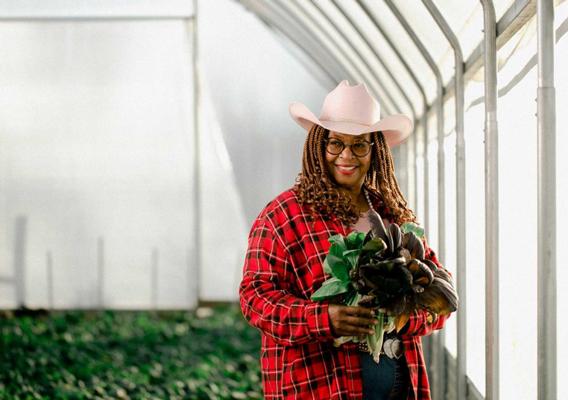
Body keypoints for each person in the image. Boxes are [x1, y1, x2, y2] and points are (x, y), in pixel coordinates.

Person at [239, 80, 453, 400]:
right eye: (336, 144)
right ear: (318, 146)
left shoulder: (392, 215)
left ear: (375, 150)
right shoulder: (282, 216)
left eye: (359, 145)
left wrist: (400, 318)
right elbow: (255, 298)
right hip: (319, 388)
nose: (347, 156)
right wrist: (324, 319)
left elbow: (440, 297)